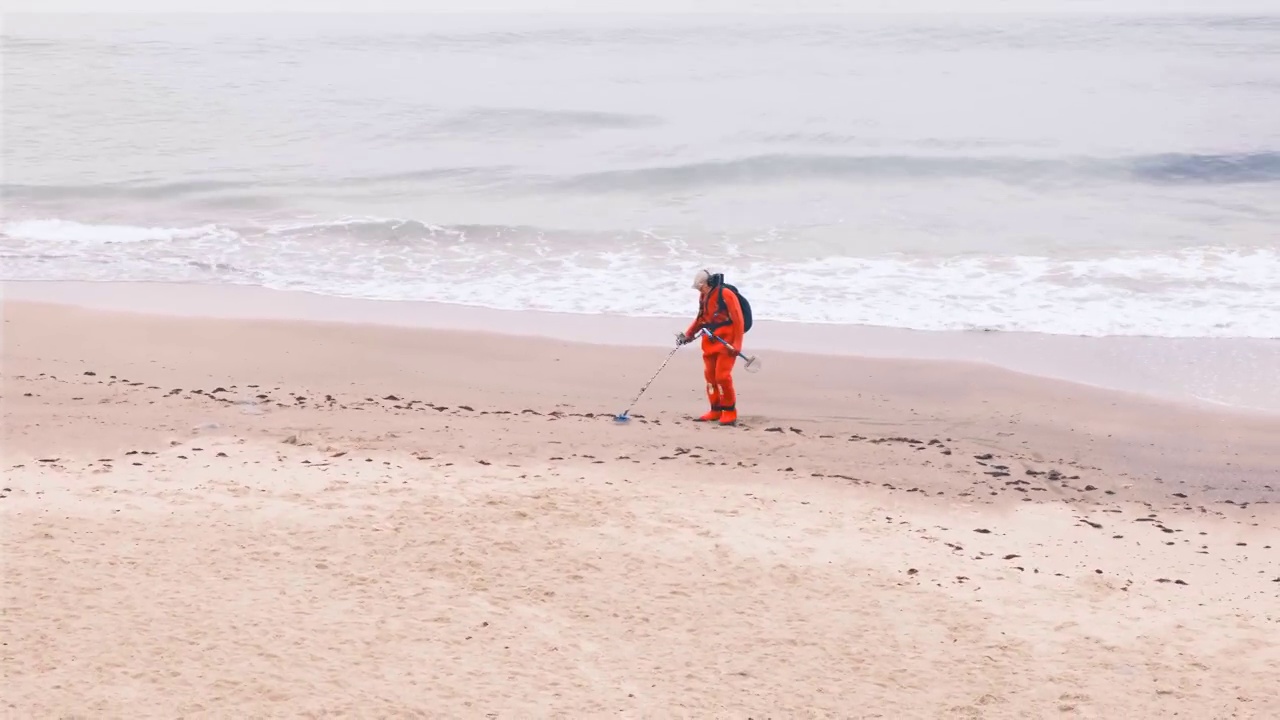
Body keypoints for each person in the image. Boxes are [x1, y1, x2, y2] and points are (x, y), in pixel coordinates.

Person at [676, 269, 745, 425]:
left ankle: (729, 412)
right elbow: (701, 319)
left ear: (707, 284)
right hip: (709, 342)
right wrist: (688, 335)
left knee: (722, 377)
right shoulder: (703, 296)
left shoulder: (726, 294)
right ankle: (715, 410)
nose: (700, 291)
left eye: (701, 288)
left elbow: (738, 320)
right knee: (710, 377)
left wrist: (737, 343)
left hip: (726, 343)